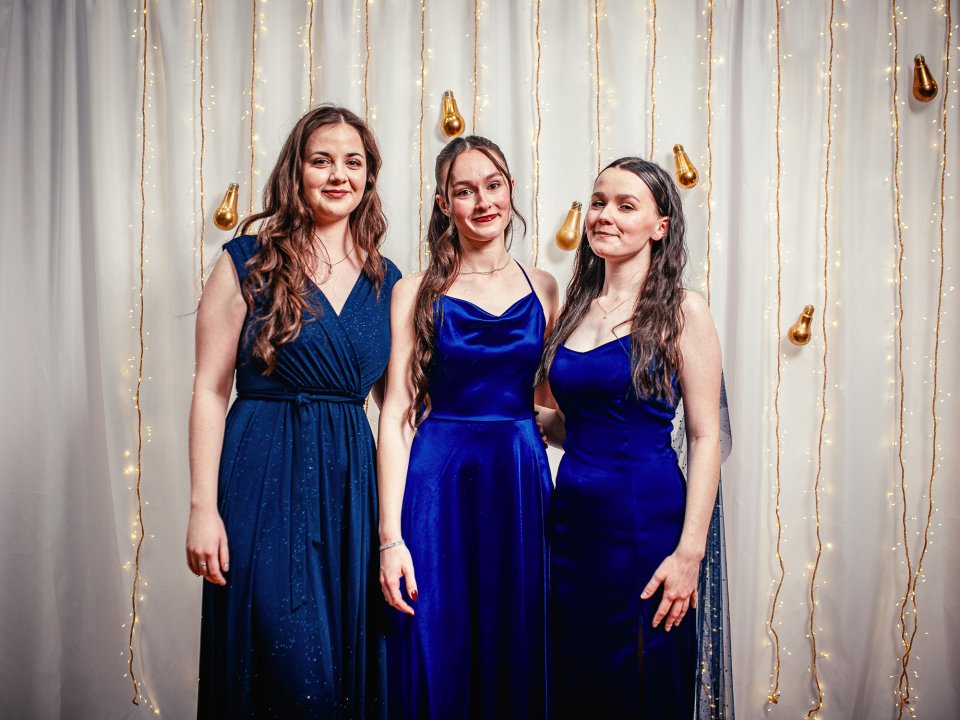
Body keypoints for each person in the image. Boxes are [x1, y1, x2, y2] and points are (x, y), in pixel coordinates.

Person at [186, 105, 400, 718]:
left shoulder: (388, 280)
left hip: (350, 490)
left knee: (343, 667)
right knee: (282, 663)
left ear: (369, 176)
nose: (338, 175)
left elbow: (399, 407)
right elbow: (210, 389)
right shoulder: (246, 260)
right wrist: (203, 508)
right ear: (296, 171)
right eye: (321, 161)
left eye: (352, 162)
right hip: (262, 478)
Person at [536, 157, 731, 718]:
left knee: (643, 677)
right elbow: (579, 424)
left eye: (626, 206)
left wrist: (690, 552)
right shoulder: (572, 310)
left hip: (645, 523)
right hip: (572, 526)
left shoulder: (682, 311)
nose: (606, 215)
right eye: (599, 202)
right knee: (579, 675)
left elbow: (704, 435)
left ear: (660, 226)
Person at [377, 136, 558, 719]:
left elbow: (551, 403)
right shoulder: (413, 290)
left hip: (519, 477)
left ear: (510, 190)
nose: (483, 202)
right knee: (436, 636)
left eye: (493, 185)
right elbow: (396, 412)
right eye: (465, 191)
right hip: (438, 480)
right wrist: (389, 537)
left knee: (518, 632)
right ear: (443, 203)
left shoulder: (545, 286)